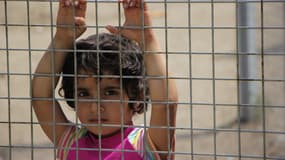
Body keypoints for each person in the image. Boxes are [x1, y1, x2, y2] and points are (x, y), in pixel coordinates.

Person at [32, 0, 178, 159]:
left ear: (136, 97)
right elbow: (40, 97)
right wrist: (62, 38)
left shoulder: (145, 144)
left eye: (109, 92)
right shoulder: (70, 141)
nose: (95, 107)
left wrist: (147, 40)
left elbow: (166, 105)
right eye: (83, 93)